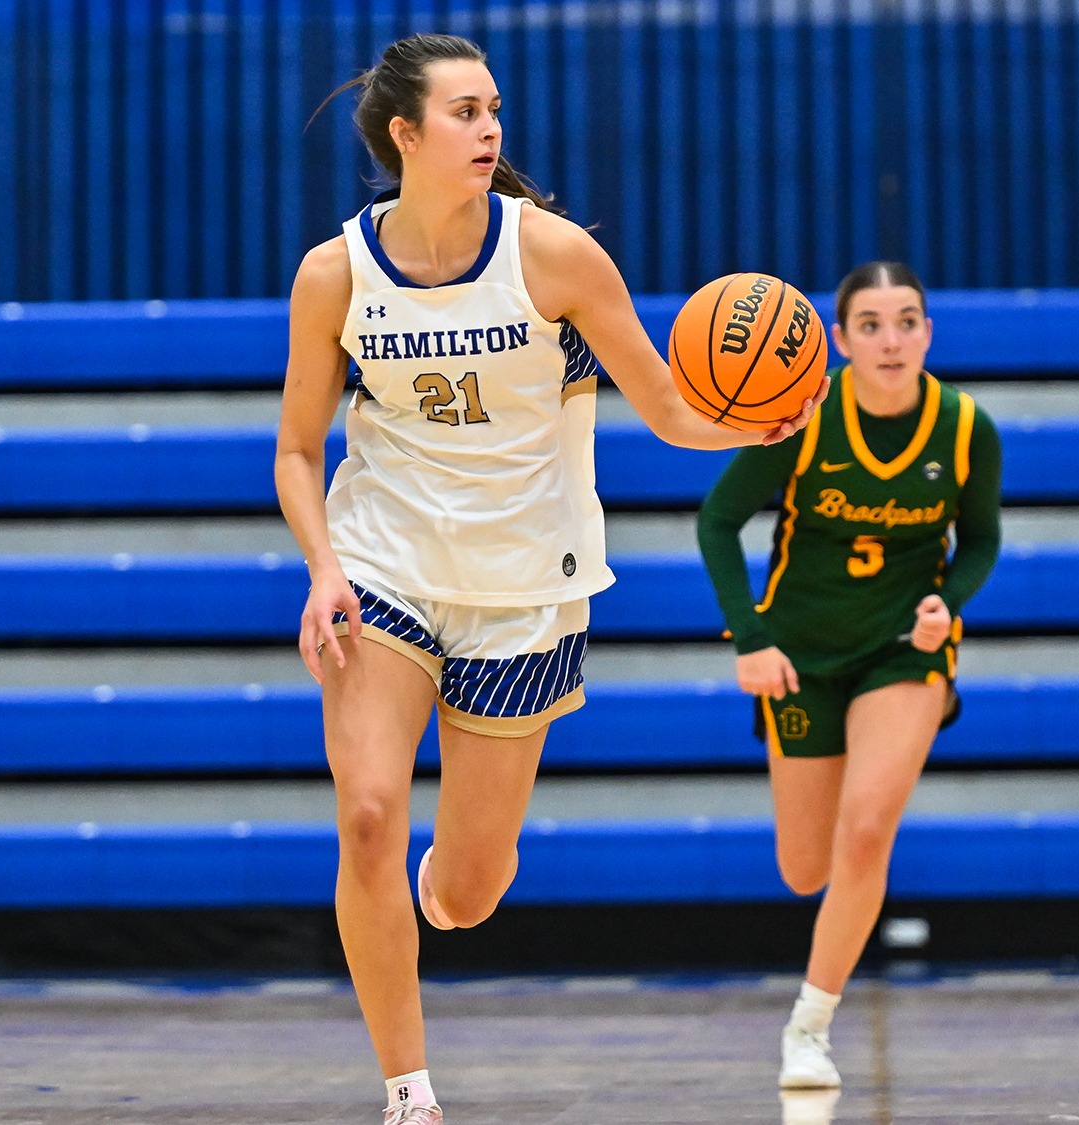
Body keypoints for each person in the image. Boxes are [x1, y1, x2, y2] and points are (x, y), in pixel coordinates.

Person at [273, 33, 825, 1124]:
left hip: (524, 588)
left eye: (492, 112)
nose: (488, 130)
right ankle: (408, 1091)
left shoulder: (556, 257)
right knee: (370, 815)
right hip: (383, 567)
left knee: (468, 894)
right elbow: (297, 449)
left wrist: (758, 421)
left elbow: (668, 406)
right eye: (465, 113)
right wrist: (323, 568)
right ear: (405, 134)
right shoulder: (334, 275)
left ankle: (443, 890)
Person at [696, 261, 1002, 1089]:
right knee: (806, 867)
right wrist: (749, 639)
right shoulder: (802, 414)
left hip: (905, 650)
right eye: (870, 323)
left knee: (867, 826)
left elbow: (979, 540)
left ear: (928, 333)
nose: (891, 339)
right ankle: (838, 922)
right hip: (801, 656)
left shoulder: (966, 427)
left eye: (907, 320)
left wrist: (948, 598)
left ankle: (810, 1024)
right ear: (840, 339)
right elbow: (718, 522)